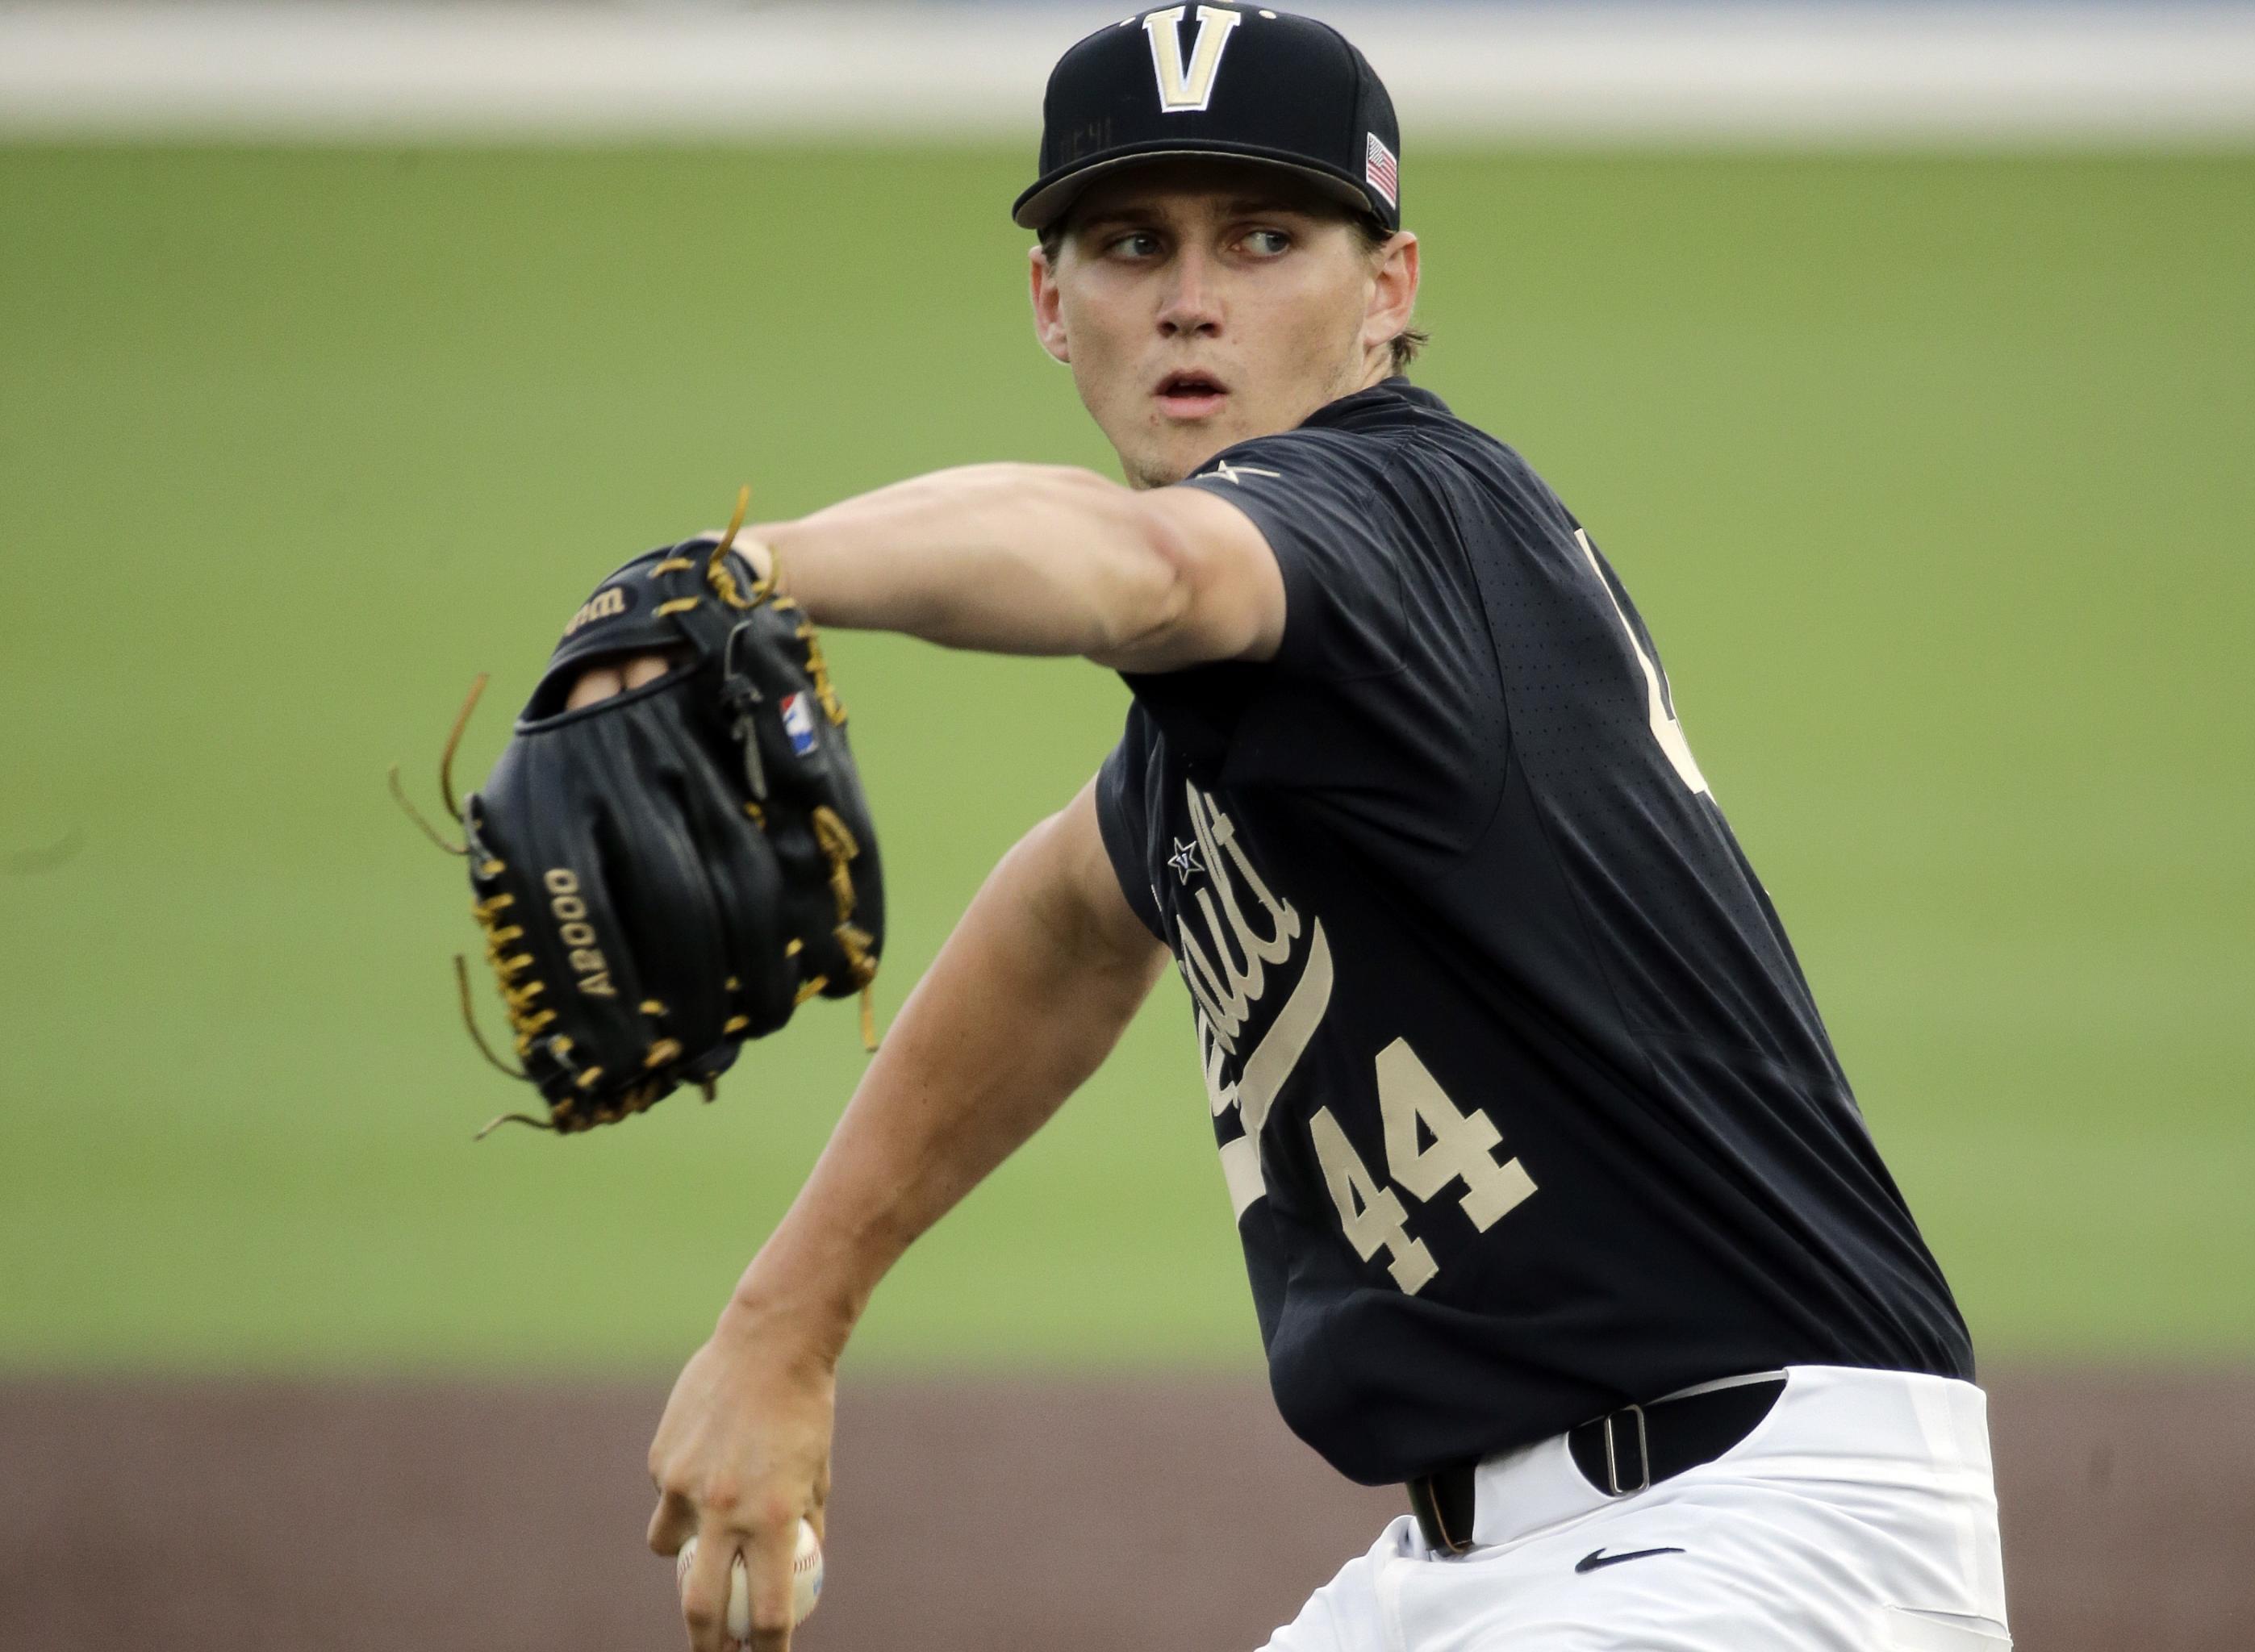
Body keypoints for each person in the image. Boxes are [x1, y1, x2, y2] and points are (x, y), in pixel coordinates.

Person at [590, 10, 2011, 1651]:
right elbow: (1063, 924)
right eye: (1132, 244)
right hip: (1512, 1560)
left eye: (1266, 239)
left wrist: (746, 570)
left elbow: (1146, 566)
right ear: (1054, 303)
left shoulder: (1404, 513)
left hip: (1755, 1534)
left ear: (1388, 290)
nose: (1193, 296)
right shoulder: (1264, 710)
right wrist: (789, 1318)